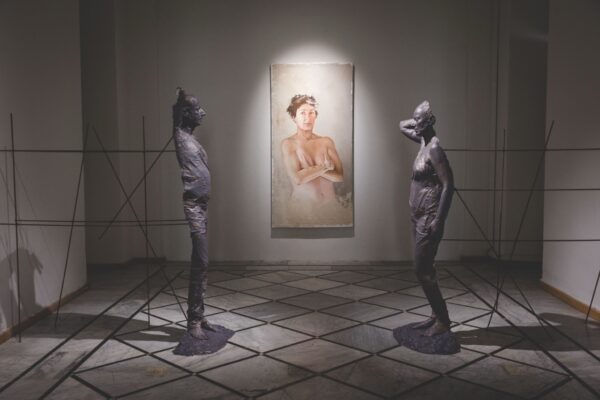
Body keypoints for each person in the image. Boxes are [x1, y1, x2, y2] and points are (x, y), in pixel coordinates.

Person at [399, 100, 454, 336]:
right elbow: (401, 125)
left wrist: (439, 220)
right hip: (417, 215)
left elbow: (449, 185)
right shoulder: (422, 142)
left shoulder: (434, 149)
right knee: (427, 268)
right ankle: (435, 315)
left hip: (429, 217)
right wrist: (419, 119)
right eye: (415, 119)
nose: (415, 123)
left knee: (420, 269)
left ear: (430, 121)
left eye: (419, 119)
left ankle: (443, 320)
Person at [172, 87, 215, 340]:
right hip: (194, 207)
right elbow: (175, 117)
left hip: (202, 206)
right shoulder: (180, 136)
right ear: (186, 113)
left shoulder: (189, 138)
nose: (203, 112)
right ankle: (193, 321)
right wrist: (179, 100)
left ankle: (198, 314)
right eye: (197, 109)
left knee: (201, 262)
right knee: (201, 261)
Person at [281, 95, 344, 203]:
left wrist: (311, 171)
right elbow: (298, 179)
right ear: (293, 117)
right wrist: (324, 167)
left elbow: (339, 177)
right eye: (303, 113)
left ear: (315, 116)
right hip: (304, 209)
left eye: (311, 112)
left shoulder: (326, 141)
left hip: (331, 207)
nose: (308, 118)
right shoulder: (288, 144)